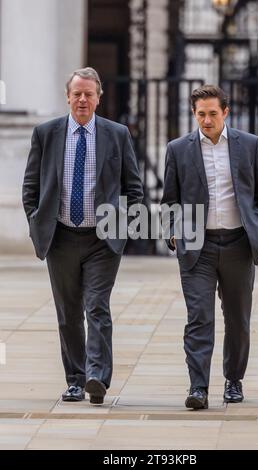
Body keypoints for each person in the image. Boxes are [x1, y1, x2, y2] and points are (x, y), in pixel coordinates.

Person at [22, 67, 143, 404]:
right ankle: (75, 379)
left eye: (89, 94)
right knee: (69, 311)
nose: (82, 99)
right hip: (60, 237)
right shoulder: (46, 134)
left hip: (102, 240)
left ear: (99, 98)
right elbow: (31, 187)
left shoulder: (116, 134)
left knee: (97, 307)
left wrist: (123, 231)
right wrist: (38, 224)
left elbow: (134, 188)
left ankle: (97, 377)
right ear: (68, 96)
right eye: (77, 93)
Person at [161, 85, 258, 409]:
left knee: (237, 318)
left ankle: (233, 379)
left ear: (225, 112)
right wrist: (174, 235)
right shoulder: (179, 149)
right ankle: (198, 388)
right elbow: (170, 201)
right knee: (199, 317)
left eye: (212, 113)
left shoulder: (248, 145)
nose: (207, 120)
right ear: (193, 114)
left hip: (239, 243)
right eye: (201, 114)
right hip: (198, 245)